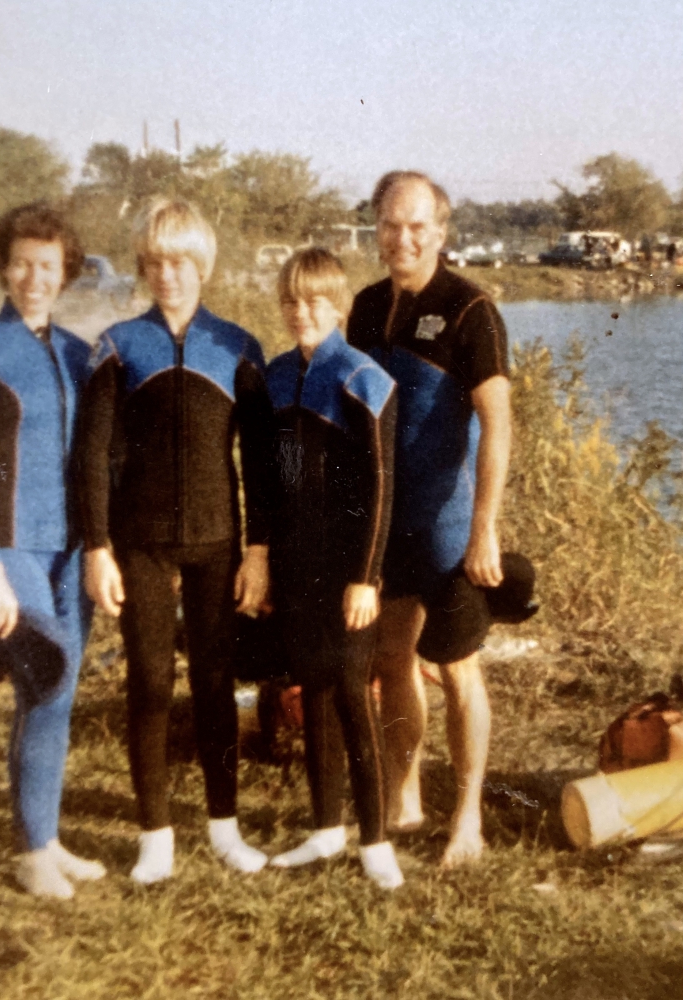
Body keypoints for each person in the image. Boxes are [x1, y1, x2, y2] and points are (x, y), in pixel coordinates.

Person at [77, 197, 274, 883]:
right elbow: (93, 453)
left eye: (181, 262)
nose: (168, 275)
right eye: (155, 263)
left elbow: (263, 461)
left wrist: (259, 549)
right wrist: (96, 546)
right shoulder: (120, 345)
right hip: (141, 543)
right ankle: (154, 835)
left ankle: (225, 827)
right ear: (143, 267)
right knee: (152, 683)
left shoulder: (238, 346)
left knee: (217, 684)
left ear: (203, 266)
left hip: (219, 542)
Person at [347, 171, 511, 867]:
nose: (402, 238)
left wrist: (484, 528)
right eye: (390, 224)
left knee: (459, 667)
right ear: (375, 228)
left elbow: (498, 425)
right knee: (392, 660)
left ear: (441, 233)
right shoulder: (363, 307)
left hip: (446, 528)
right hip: (388, 526)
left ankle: (467, 816)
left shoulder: (471, 310)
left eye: (417, 226)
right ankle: (405, 791)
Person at [0, 203, 104, 898]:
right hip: (14, 553)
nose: (34, 278)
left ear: (65, 272)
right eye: (22, 264)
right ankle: (31, 847)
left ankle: (47, 837)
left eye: (48, 266)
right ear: (2, 267)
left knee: (61, 692)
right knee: (44, 677)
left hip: (74, 551)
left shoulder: (79, 352)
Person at [266, 248, 403, 889]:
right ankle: (325, 829)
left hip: (350, 568)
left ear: (341, 306)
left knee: (352, 691)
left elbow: (381, 487)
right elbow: (285, 476)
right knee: (313, 688)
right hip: (299, 565)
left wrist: (366, 577)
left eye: (317, 301)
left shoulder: (364, 378)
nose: (304, 313)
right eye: (293, 301)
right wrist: (271, 557)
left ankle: (375, 839)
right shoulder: (276, 377)